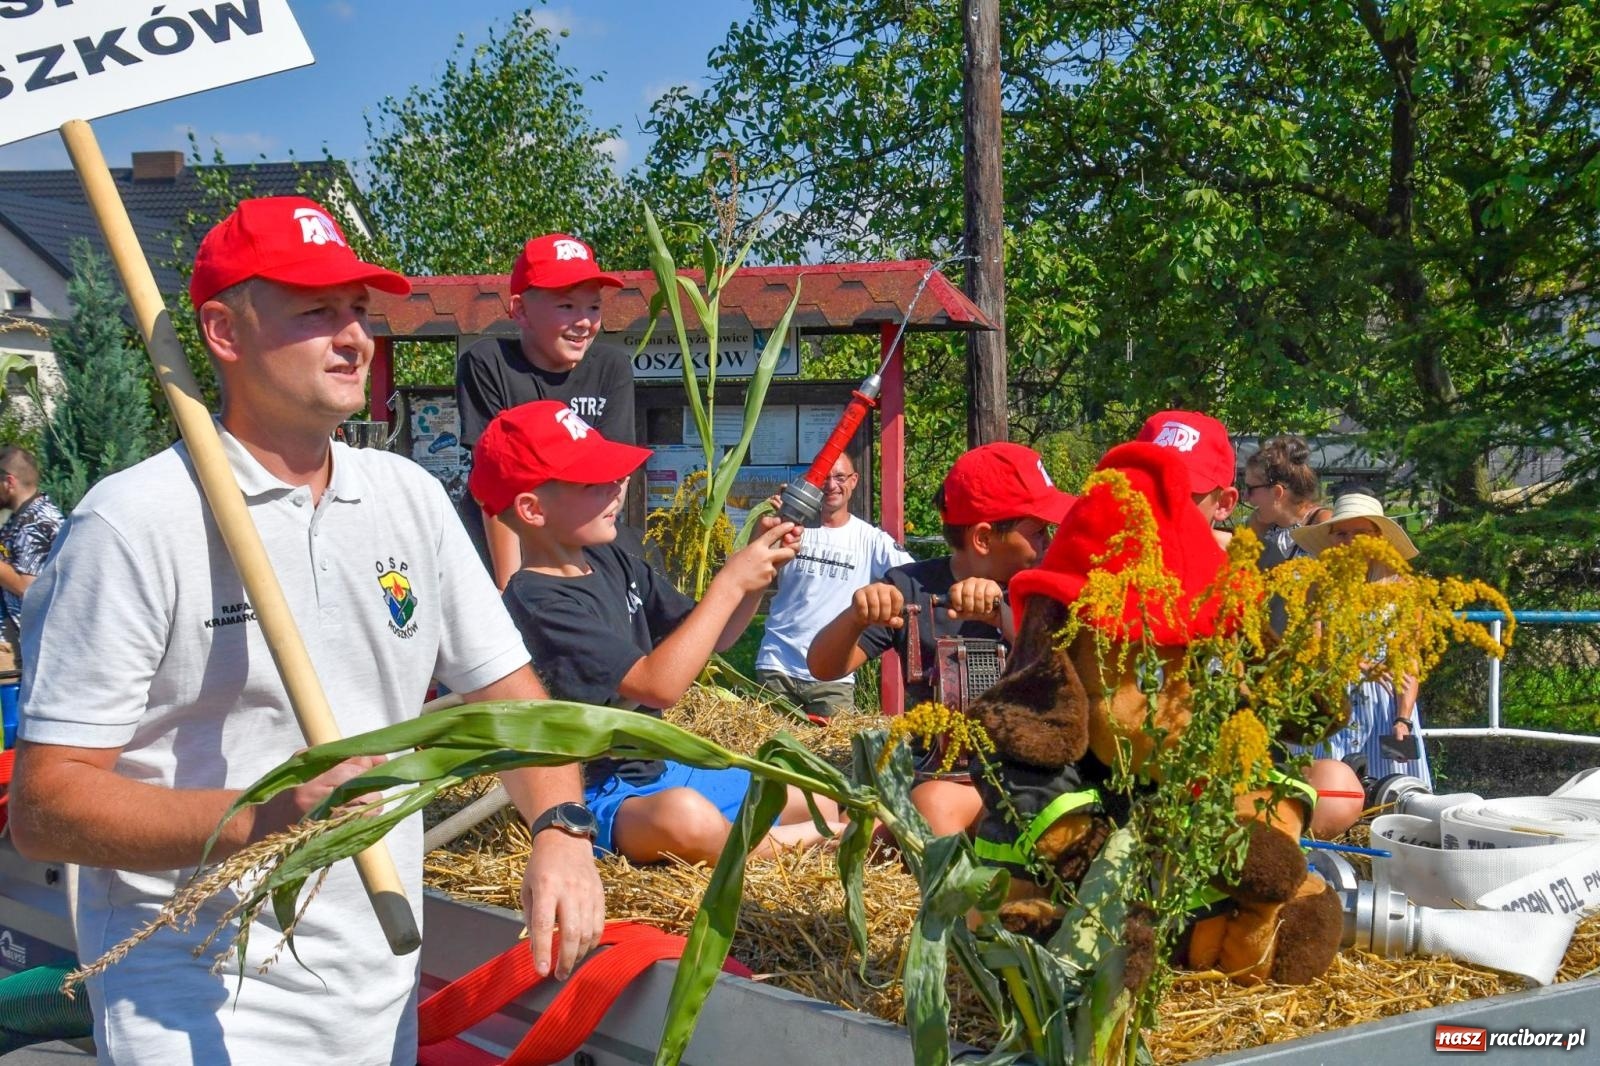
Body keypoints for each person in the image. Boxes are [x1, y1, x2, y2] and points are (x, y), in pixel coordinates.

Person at [7, 197, 605, 1066]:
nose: (354, 336)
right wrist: (261, 817)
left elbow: (513, 705)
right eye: (315, 311)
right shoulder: (133, 524)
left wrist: (562, 831)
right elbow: (46, 806)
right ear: (222, 330)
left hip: (376, 982)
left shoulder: (407, 499)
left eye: (358, 311)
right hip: (191, 989)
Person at [469, 400, 844, 864]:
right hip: (599, 791)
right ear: (532, 508)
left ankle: (810, 832)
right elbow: (658, 685)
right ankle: (807, 844)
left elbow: (713, 636)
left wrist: (754, 570)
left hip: (663, 768)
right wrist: (730, 582)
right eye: (594, 482)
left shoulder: (609, 557)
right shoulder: (538, 599)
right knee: (684, 819)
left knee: (814, 798)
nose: (617, 488)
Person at [808, 442, 1075, 837]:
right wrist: (856, 614)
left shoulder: (1048, 591)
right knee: (812, 798)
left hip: (1015, 784)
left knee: (929, 806)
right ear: (983, 538)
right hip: (927, 774)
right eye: (1037, 532)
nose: (1048, 542)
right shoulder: (910, 587)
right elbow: (824, 667)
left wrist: (1001, 616)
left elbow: (1065, 668)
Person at [455, 233, 636, 587]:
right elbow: (495, 488)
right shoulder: (488, 363)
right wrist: (513, 591)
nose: (584, 321)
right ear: (520, 310)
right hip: (497, 552)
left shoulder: (612, 367)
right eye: (567, 306)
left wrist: (580, 574)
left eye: (594, 307)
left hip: (584, 552)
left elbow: (615, 480)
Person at [1290, 484, 1432, 820]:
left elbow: (1409, 658)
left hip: (1383, 706)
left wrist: (1402, 719)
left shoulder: (1404, 588)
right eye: (1341, 533)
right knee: (1330, 797)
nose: (1349, 540)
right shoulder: (1319, 585)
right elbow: (1316, 645)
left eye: (1359, 532)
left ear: (1378, 538)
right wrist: (1359, 663)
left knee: (1390, 799)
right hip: (1333, 700)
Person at [755, 452, 913, 718]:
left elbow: (912, 578)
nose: (831, 485)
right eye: (824, 478)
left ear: (853, 481)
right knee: (769, 756)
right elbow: (751, 566)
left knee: (834, 758)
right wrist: (773, 523)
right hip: (777, 664)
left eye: (840, 477)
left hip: (833, 675)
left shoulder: (870, 540)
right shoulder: (791, 528)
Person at [1133, 409, 1240, 548]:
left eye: (1179, 494)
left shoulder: (1232, 567)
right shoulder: (1103, 559)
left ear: (1224, 504)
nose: (1156, 508)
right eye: (1145, 490)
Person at [0, 445, 63, 662]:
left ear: (9, 482)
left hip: (34, 648)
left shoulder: (37, 523)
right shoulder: (20, 518)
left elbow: (27, 587)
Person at [1242, 435, 1325, 568]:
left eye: (1250, 489)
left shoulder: (1323, 525)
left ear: (1277, 492)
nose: (1245, 497)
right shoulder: (1257, 525)